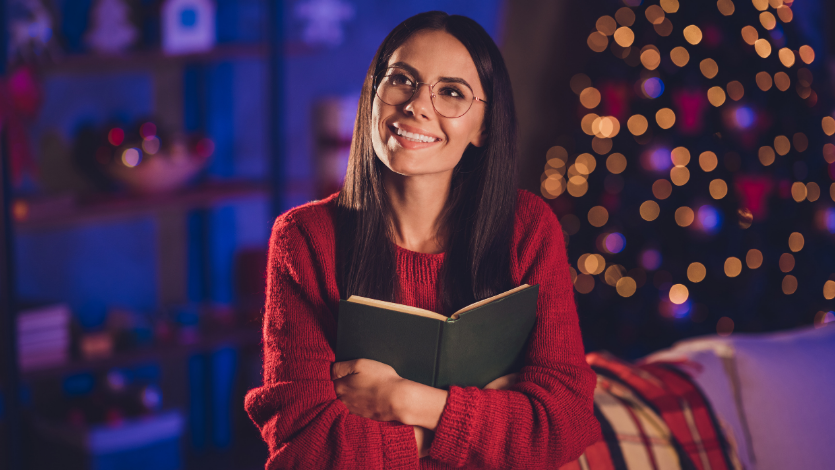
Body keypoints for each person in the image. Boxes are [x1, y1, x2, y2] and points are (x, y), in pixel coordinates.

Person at [244, 11, 601, 469]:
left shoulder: (528, 228)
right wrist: (488, 421)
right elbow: (305, 453)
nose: (416, 105)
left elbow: (564, 423)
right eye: (401, 81)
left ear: (485, 127)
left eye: (451, 92)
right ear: (373, 96)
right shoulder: (305, 238)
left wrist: (405, 401)